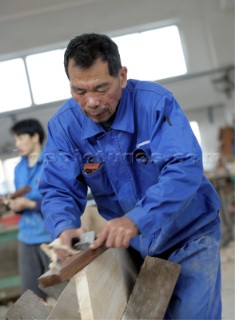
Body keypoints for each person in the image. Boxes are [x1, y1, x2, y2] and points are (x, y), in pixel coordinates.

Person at [39, 33, 222, 319]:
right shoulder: (64, 127)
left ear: (121, 76)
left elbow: (183, 168)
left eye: (101, 88)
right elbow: (57, 188)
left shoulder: (155, 104)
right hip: (136, 247)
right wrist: (64, 227)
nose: (91, 102)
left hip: (190, 234)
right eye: (79, 91)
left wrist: (136, 219)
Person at [9, 119, 51, 300]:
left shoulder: (51, 162)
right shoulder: (19, 168)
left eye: (20, 138)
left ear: (35, 137)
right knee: (31, 295)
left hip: (51, 237)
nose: (17, 144)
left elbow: (61, 199)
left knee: (67, 291)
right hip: (26, 237)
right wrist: (16, 205)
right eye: (15, 140)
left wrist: (31, 204)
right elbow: (19, 200)